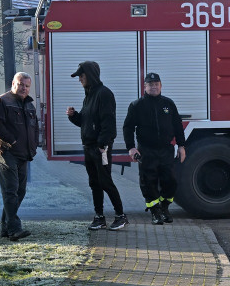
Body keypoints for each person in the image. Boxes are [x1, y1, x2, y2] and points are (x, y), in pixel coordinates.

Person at [66, 61, 128, 231]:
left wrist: (102, 144)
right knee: (94, 182)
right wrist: (74, 116)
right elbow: (86, 122)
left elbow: (108, 122)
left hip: (100, 148)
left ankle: (121, 216)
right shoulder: (89, 95)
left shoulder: (104, 94)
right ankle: (99, 217)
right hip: (88, 147)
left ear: (90, 75)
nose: (79, 79)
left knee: (105, 181)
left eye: (81, 75)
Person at [123, 72, 186, 224]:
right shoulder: (137, 105)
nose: (154, 87)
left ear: (161, 86)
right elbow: (128, 127)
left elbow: (178, 125)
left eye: (156, 84)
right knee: (148, 181)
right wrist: (131, 148)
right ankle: (154, 211)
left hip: (166, 149)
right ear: (145, 87)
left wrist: (181, 146)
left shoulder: (168, 104)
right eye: (150, 84)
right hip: (146, 150)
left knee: (170, 180)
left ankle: (164, 207)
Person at [0, 71, 39, 241]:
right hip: (6, 152)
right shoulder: (3, 101)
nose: (24, 88)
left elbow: (35, 128)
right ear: (13, 84)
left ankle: (6, 227)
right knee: (11, 190)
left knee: (20, 191)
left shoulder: (30, 105)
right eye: (21, 84)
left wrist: (33, 146)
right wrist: (13, 142)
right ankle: (14, 229)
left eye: (27, 86)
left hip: (23, 154)